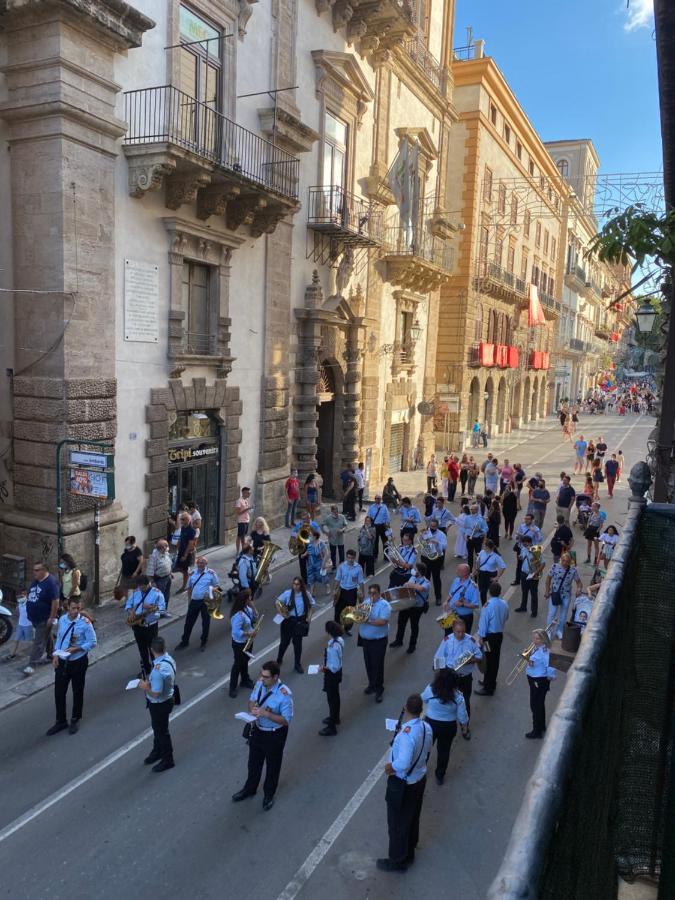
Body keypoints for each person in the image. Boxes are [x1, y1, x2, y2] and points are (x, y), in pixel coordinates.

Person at [377, 694, 433, 873]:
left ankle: (397, 860)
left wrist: (389, 767)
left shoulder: (407, 736)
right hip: (419, 779)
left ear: (406, 708)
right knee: (412, 817)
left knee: (396, 824)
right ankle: (409, 851)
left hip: (404, 784)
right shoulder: (426, 727)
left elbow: (403, 763)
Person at [232, 660, 293, 810]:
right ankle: (249, 789)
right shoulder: (260, 684)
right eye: (261, 674)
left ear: (275, 677)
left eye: (266, 676)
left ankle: (268, 795)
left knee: (272, 766)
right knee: (253, 763)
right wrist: (253, 709)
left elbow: (286, 720)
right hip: (258, 730)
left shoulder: (284, 694)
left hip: (274, 734)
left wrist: (266, 714)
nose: (262, 678)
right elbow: (252, 701)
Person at [46, 597, 97, 736]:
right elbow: (60, 639)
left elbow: (92, 642)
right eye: (73, 608)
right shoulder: (63, 620)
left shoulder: (85, 623)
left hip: (78, 661)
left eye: (78, 608)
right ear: (67, 607)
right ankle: (61, 721)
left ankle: (75, 718)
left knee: (77, 691)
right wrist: (56, 655)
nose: (76, 611)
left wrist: (77, 649)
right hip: (63, 661)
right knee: (59, 692)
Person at [421, 670, 469, 785]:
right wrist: (464, 727)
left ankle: (421, 770)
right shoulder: (458, 696)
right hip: (448, 727)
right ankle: (440, 775)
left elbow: (423, 699)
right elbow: (463, 716)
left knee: (425, 748)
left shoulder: (431, 689)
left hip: (430, 724)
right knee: (444, 751)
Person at [138, 635, 176, 772]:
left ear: (152, 650)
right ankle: (157, 750)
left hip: (160, 703)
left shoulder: (159, 670)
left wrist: (144, 686)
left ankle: (168, 759)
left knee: (162, 731)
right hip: (166, 699)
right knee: (157, 728)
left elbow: (155, 693)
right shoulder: (168, 659)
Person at [434, 616, 482, 722]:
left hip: (465, 678)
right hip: (451, 676)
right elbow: (439, 657)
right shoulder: (447, 640)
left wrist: (471, 661)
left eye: (463, 632)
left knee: (465, 702)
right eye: (458, 632)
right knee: (448, 700)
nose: (461, 634)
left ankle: (465, 725)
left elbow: (479, 656)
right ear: (453, 630)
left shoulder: (471, 640)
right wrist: (440, 675)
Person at [174, 557, 219, 652]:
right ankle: (184, 641)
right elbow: (189, 588)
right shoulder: (193, 574)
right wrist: (189, 601)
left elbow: (217, 587)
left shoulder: (211, 574)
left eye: (202, 562)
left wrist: (212, 594)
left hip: (206, 602)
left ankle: (203, 642)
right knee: (188, 623)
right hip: (194, 601)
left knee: (205, 623)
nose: (200, 564)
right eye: (199, 562)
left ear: (206, 564)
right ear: (196, 564)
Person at [24, 563, 60, 676]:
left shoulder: (51, 583)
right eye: (33, 570)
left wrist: (52, 617)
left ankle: (32, 664)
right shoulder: (36, 581)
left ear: (44, 570)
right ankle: (52, 653)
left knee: (38, 641)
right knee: (47, 636)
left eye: (36, 570)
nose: (34, 572)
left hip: (44, 618)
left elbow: (55, 602)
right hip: (35, 617)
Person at [126, 575, 166, 675]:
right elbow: (128, 604)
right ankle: (147, 669)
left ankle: (156, 669)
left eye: (144, 587)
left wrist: (148, 610)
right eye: (140, 587)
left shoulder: (157, 594)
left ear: (149, 583)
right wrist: (131, 612)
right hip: (137, 626)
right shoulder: (136, 593)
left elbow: (161, 611)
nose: (142, 589)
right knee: (142, 649)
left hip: (150, 626)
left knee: (153, 649)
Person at [475, 581, 509, 695]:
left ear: (489, 592)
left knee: (488, 660)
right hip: (498, 635)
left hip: (488, 637)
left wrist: (481, 637)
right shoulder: (504, 603)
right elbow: (506, 617)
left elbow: (483, 623)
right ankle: (489, 681)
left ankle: (488, 687)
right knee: (494, 660)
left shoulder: (487, 605)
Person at [358, 584, 391, 702]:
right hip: (366, 640)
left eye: (374, 593)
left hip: (378, 641)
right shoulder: (366, 602)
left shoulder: (384, 605)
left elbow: (382, 621)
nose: (372, 595)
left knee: (377, 665)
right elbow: (360, 615)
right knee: (369, 664)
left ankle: (379, 689)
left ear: (379, 593)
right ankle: (371, 684)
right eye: (370, 593)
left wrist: (368, 620)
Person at [275, 577, 315, 673]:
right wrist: (281, 613)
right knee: (284, 643)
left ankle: (297, 664)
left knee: (297, 644)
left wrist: (309, 617)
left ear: (301, 585)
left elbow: (312, 605)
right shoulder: (287, 593)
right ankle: (279, 660)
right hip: (288, 621)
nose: (295, 586)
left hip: (299, 621)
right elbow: (277, 602)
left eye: (297, 584)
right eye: (294, 584)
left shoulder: (306, 594)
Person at [389, 562, 430, 654]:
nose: (413, 570)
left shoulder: (426, 582)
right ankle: (398, 640)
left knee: (414, 626)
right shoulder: (413, 577)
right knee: (401, 623)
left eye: (415, 569)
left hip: (417, 607)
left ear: (419, 572)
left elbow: (421, 589)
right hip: (407, 605)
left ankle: (412, 646)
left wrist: (409, 584)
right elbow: (405, 587)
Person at [545, 552, 582, 640]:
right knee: (552, 613)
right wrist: (547, 591)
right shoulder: (554, 567)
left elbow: (579, 582)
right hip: (555, 594)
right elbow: (548, 578)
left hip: (566, 595)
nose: (565, 563)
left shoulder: (573, 570)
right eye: (563, 560)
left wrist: (579, 589)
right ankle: (549, 631)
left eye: (567, 561)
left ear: (570, 562)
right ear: (561, 560)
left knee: (563, 615)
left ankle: (559, 630)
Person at [228, 590, 257, 698]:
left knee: (245, 661)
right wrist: (249, 633)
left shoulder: (247, 609)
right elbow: (236, 631)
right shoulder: (238, 615)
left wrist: (253, 607)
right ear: (244, 600)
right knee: (238, 664)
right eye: (249, 599)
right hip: (239, 643)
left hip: (248, 641)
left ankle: (245, 679)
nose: (250, 600)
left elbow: (254, 618)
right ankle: (232, 687)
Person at [525, 629, 553, 739]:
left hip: (538, 680)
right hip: (535, 678)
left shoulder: (544, 651)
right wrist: (529, 661)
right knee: (540, 704)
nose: (535, 641)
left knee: (535, 705)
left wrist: (549, 678)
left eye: (537, 638)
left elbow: (550, 666)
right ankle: (541, 726)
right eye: (534, 638)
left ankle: (536, 731)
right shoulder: (537, 648)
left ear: (543, 639)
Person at [319, 621, 344, 736]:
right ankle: (335, 717)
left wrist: (324, 668)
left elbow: (333, 667)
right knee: (335, 697)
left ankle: (332, 727)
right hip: (338, 673)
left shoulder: (333, 647)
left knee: (332, 699)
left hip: (332, 675)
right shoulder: (339, 640)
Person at [333, 549, 364, 636]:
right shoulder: (341, 566)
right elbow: (337, 579)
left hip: (352, 592)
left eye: (352, 558)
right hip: (342, 591)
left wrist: (362, 593)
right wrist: (334, 590)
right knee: (338, 611)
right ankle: (337, 628)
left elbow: (361, 582)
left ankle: (347, 629)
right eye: (349, 558)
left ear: (354, 558)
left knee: (350, 613)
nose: (350, 560)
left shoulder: (358, 568)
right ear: (346, 557)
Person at [418, 519, 447, 605]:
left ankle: (438, 597)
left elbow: (445, 546)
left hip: (436, 558)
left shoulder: (441, 534)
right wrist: (422, 537)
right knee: (425, 578)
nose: (432, 528)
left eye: (434, 526)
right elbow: (420, 541)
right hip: (426, 557)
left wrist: (437, 542)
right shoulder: (425, 532)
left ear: (437, 526)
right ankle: (424, 597)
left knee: (436, 578)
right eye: (431, 526)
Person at [445, 563, 480, 633]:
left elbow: (476, 605)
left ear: (464, 573)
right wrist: (446, 601)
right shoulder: (456, 580)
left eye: (458, 570)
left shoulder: (473, 587)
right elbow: (451, 593)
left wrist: (462, 605)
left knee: (462, 637)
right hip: (451, 613)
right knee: (448, 635)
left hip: (464, 618)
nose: (456, 571)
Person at [511, 514, 543, 585]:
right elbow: (516, 535)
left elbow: (540, 539)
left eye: (528, 519)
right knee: (519, 564)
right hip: (522, 548)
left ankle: (531, 579)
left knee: (531, 565)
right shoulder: (521, 526)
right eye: (525, 519)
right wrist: (517, 536)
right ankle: (517, 580)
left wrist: (535, 532)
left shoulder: (536, 529)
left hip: (532, 549)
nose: (526, 520)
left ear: (532, 520)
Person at [515, 536, 542, 617]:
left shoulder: (536, 549)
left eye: (525, 543)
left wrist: (536, 572)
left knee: (533, 593)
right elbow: (522, 557)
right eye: (523, 544)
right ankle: (523, 606)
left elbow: (543, 563)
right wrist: (520, 557)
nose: (524, 545)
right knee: (524, 591)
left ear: (530, 542)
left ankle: (534, 611)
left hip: (533, 574)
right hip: (524, 573)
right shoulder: (523, 549)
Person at [475, 537, 506, 605]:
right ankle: (484, 606)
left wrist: (497, 577)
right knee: (482, 592)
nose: (483, 545)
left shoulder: (496, 556)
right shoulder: (482, 552)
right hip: (482, 574)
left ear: (488, 547)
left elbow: (503, 567)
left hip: (491, 575)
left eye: (484, 545)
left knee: (493, 593)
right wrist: (477, 569)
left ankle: (495, 605)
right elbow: (478, 560)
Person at [146, 539, 173, 614]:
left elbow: (169, 563)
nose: (167, 547)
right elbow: (149, 572)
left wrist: (170, 573)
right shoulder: (154, 557)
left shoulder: (166, 553)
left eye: (167, 545)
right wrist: (153, 582)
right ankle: (157, 612)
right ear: (161, 548)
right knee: (160, 597)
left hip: (168, 577)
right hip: (160, 580)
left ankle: (164, 610)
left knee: (167, 595)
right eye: (166, 546)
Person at [302, 527, 330, 594]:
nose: (309, 537)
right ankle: (312, 592)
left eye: (310, 536)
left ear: (315, 537)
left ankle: (328, 587)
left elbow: (326, 554)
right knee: (311, 578)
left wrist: (323, 563)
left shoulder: (321, 544)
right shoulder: (310, 544)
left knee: (322, 578)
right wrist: (304, 555)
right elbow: (308, 551)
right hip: (310, 564)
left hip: (319, 564)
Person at [7, 589, 33, 661]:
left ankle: (38, 649)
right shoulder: (20, 603)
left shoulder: (30, 603)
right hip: (20, 625)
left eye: (24, 595)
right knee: (16, 639)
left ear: (27, 595)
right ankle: (12, 654)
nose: (22, 596)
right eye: (21, 595)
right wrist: (17, 608)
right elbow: (17, 613)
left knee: (31, 640)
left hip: (28, 625)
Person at [174, 512, 197, 593]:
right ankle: (190, 575)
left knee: (184, 569)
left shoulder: (191, 530)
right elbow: (181, 538)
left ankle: (184, 586)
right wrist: (178, 546)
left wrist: (185, 555)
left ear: (188, 520)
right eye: (181, 519)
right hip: (181, 551)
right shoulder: (183, 528)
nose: (181, 521)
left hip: (187, 552)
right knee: (179, 568)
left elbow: (190, 544)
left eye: (183, 519)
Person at [321, 505, 348, 570]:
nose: (336, 513)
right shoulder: (328, 518)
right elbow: (323, 525)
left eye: (337, 511)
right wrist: (327, 532)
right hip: (332, 539)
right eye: (334, 512)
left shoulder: (342, 517)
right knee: (333, 553)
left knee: (341, 553)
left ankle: (342, 566)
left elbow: (346, 525)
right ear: (332, 511)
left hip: (340, 539)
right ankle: (334, 566)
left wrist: (343, 530)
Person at [367, 494, 391, 560]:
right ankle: (375, 556)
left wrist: (387, 524)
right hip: (375, 526)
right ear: (375, 499)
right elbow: (369, 517)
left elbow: (387, 516)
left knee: (385, 541)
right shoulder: (371, 507)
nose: (378, 500)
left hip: (383, 526)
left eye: (379, 498)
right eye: (377, 498)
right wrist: (369, 526)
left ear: (381, 500)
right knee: (375, 542)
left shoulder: (384, 507)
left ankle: (386, 556)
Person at [464, 503, 488, 570]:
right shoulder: (467, 518)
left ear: (476, 510)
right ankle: (470, 570)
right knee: (470, 555)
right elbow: (465, 527)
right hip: (469, 538)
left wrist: (480, 529)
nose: (471, 510)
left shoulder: (481, 519)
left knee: (478, 555)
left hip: (478, 539)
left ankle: (478, 569)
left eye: (472, 509)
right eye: (471, 509)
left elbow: (486, 529)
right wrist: (465, 535)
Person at [235, 486, 253, 555]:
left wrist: (250, 509)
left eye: (249, 493)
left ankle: (243, 549)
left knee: (243, 535)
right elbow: (238, 512)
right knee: (240, 536)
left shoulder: (245, 500)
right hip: (241, 521)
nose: (249, 494)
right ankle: (239, 551)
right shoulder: (239, 501)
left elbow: (246, 511)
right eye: (248, 493)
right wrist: (247, 509)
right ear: (244, 493)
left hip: (246, 520)